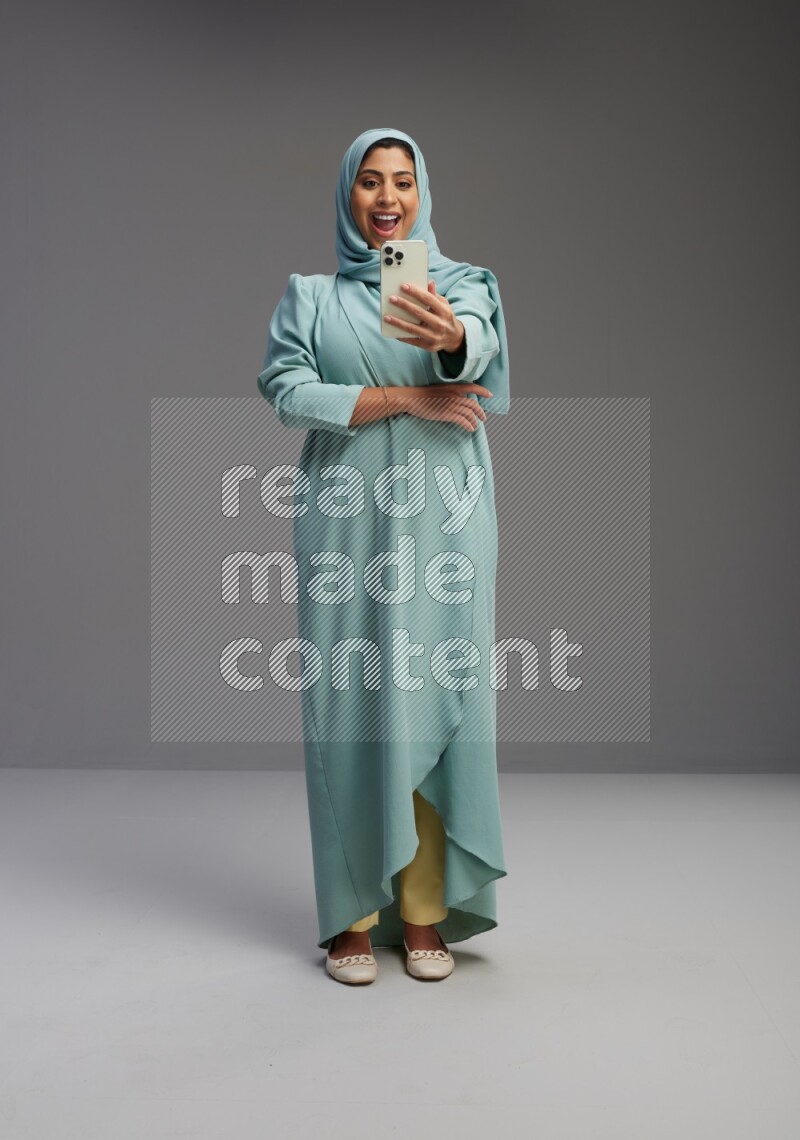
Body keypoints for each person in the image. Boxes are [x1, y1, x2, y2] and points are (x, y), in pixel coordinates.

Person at [257, 127, 510, 984]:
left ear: (423, 191)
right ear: (346, 194)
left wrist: (446, 338)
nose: (387, 197)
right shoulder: (310, 297)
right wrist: (410, 396)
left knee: (440, 700)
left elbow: (475, 354)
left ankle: (425, 910)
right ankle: (351, 916)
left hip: (444, 526)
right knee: (353, 706)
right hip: (346, 527)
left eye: (403, 180)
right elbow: (286, 391)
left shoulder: (464, 285)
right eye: (370, 182)